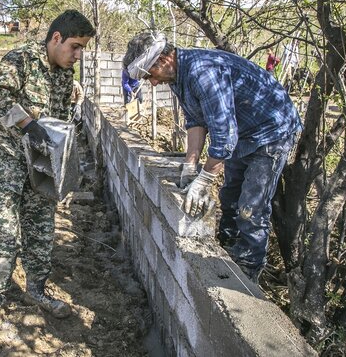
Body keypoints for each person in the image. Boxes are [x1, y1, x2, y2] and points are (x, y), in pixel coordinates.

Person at [123, 32, 302, 283]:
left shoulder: (202, 72)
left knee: (251, 207)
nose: (152, 83)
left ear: (163, 60)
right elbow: (196, 121)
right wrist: (190, 166)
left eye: (150, 76)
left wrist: (205, 179)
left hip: (270, 132)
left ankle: (248, 273)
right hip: (244, 132)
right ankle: (228, 248)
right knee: (229, 196)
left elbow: (224, 133)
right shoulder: (177, 76)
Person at [0, 9, 96, 328]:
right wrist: (26, 122)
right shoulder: (23, 59)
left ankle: (37, 290)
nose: (77, 55)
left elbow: (55, 121)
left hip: (39, 166)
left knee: (41, 229)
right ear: (56, 38)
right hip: (4, 161)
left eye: (82, 49)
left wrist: (72, 103)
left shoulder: (64, 72)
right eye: (74, 46)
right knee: (2, 230)